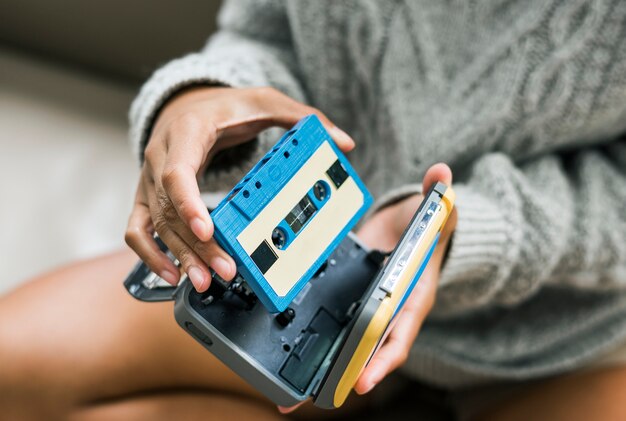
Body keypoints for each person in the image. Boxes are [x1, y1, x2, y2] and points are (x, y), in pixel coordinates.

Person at [2, 0, 626, 419]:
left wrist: (463, 229)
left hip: (556, 339)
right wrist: (201, 102)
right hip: (306, 285)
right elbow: (266, 33)